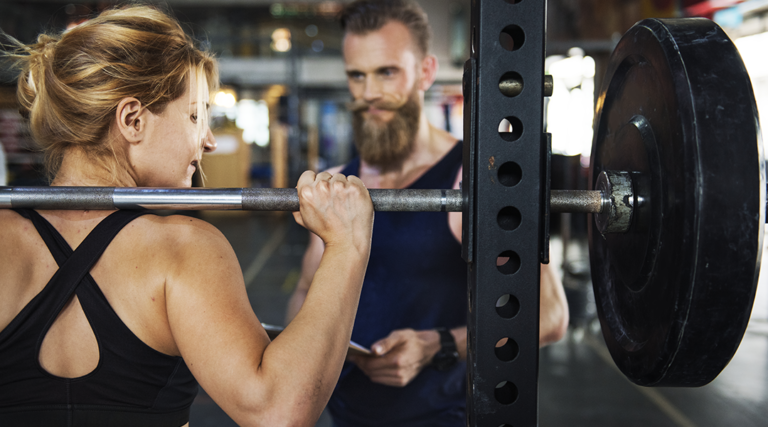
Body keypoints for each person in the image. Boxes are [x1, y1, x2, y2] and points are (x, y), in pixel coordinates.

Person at [0, 5, 374, 427]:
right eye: (195, 115)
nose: (209, 141)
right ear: (133, 120)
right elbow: (278, 410)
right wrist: (348, 244)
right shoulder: (182, 250)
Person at [285, 1, 569, 425]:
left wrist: (439, 345)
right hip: (346, 414)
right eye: (356, 75)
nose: (369, 94)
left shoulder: (473, 181)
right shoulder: (335, 185)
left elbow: (550, 316)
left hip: (443, 415)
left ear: (426, 71)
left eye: (387, 72)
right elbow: (306, 290)